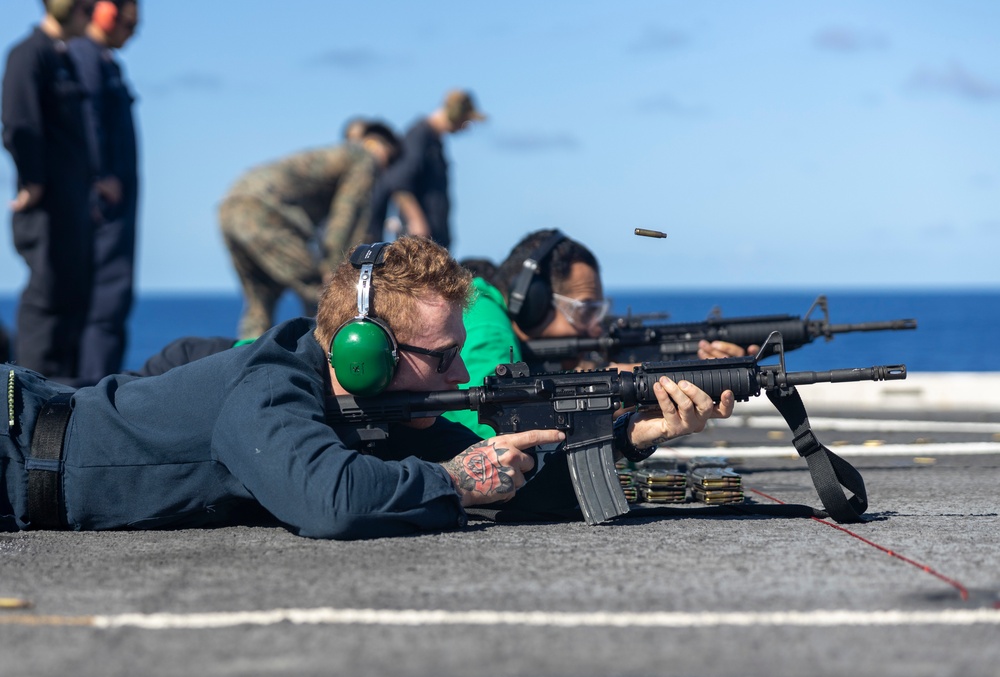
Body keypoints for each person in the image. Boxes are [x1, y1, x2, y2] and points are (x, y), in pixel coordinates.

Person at [1, 236, 732, 539]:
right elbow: (330, 499)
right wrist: (453, 478)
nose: (459, 375)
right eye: (441, 356)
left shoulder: (377, 413)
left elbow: (511, 485)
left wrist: (636, 435)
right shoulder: (268, 385)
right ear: (362, 352)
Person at [446, 229, 749, 439]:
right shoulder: (486, 324)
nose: (595, 328)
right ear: (532, 303)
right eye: (584, 310)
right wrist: (618, 391)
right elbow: (499, 434)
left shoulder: (483, 310)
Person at [220, 122, 401, 340]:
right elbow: (347, 215)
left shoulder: (337, 155)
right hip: (265, 213)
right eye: (389, 160)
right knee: (326, 295)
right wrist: (338, 267)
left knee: (260, 301)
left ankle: (246, 360)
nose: (385, 170)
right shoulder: (364, 158)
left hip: (231, 207)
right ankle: (324, 359)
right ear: (377, 146)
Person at [2, 0, 96, 386]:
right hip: (46, 206)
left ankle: (60, 402)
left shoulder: (64, 57)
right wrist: (33, 181)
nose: (91, 14)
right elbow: (17, 123)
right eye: (85, 6)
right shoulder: (29, 55)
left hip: (72, 204)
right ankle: (29, 398)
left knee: (73, 299)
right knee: (47, 298)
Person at [68, 0, 140, 383]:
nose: (133, 32)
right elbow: (88, 116)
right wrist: (101, 175)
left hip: (118, 203)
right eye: (130, 23)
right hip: (107, 205)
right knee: (106, 299)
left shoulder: (105, 60)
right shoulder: (86, 55)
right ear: (106, 13)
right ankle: (93, 392)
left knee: (114, 300)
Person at [368, 89, 486, 251]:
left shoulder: (434, 140)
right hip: (421, 241)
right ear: (456, 114)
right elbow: (398, 181)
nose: (465, 128)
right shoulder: (420, 136)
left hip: (434, 239)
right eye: (466, 122)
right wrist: (416, 221)